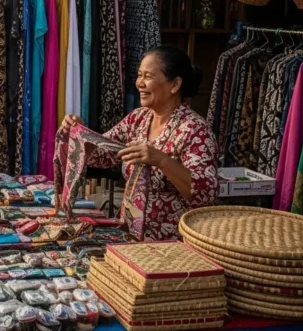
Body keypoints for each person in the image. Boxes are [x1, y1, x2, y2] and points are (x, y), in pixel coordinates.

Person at [60, 46, 218, 241]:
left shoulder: (195, 130)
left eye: (148, 77)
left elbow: (205, 193)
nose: (139, 83)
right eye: (139, 75)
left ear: (175, 84)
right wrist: (80, 133)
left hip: (173, 247)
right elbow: (102, 157)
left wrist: (162, 160)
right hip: (130, 238)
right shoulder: (138, 119)